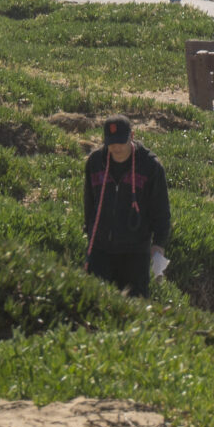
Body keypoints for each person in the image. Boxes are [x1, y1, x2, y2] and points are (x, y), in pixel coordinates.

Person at [82, 114, 170, 296]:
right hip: (100, 250)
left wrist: (159, 244)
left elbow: (161, 210)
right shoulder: (95, 162)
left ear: (132, 136)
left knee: (134, 304)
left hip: (135, 253)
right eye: (111, 143)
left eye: (121, 142)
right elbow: (89, 203)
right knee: (96, 302)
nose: (116, 148)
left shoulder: (151, 167)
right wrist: (89, 233)